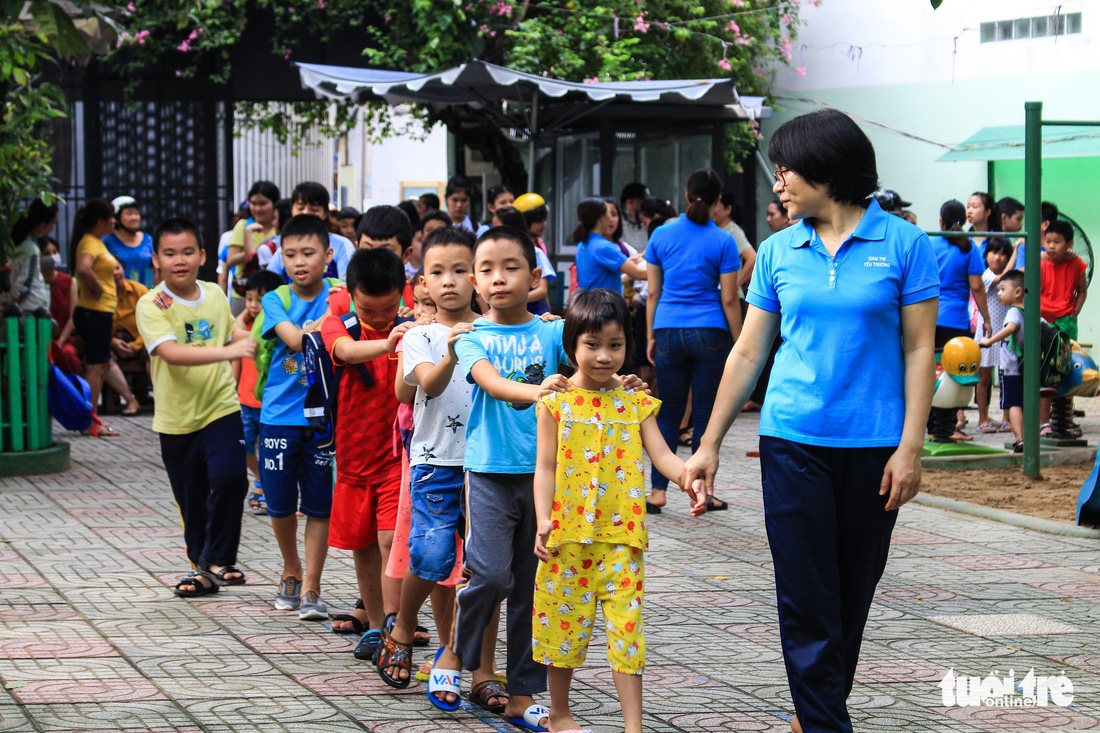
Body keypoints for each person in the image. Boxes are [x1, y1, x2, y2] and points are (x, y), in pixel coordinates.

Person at [682, 108, 939, 733]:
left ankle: (812, 713)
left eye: (789, 170)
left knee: (852, 591)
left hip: (876, 445)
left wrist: (912, 447)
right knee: (805, 592)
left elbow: (918, 349)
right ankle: (825, 723)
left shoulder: (906, 245)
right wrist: (707, 443)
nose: (779, 184)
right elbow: (749, 350)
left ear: (830, 170)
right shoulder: (776, 251)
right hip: (791, 439)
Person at [533, 289, 703, 733]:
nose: (604, 356)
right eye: (592, 345)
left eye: (615, 345)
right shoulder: (556, 403)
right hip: (566, 538)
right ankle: (559, 714)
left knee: (628, 633)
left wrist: (688, 477)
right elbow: (545, 467)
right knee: (561, 630)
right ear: (571, 345)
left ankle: (634, 727)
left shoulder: (635, 403)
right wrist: (543, 519)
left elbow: (663, 455)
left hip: (622, 541)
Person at [449, 226, 574, 731]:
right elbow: (493, 384)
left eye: (511, 267)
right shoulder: (470, 339)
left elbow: (592, 362)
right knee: (492, 575)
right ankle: (455, 652)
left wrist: (619, 379)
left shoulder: (552, 332)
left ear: (535, 277)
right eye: (487, 270)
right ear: (477, 284)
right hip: (489, 474)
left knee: (533, 590)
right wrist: (542, 390)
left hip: (545, 480)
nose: (498, 278)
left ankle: (524, 693)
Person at [376, 229, 481, 691]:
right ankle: (401, 628)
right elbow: (423, 387)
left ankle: (469, 660)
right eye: (438, 272)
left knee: (482, 569)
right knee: (433, 554)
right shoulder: (421, 335)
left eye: (460, 271)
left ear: (477, 277)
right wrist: (454, 348)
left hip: (489, 464)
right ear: (421, 282)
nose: (450, 281)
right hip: (435, 459)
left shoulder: (495, 329)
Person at [135, 217, 256, 596]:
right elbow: (170, 353)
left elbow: (231, 334)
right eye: (170, 253)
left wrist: (260, 337)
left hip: (221, 407)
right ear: (156, 259)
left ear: (202, 256)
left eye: (187, 252)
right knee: (192, 499)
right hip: (176, 419)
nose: (179, 260)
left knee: (231, 479)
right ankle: (203, 568)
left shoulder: (215, 295)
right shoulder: (151, 303)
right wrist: (231, 350)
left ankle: (219, 559)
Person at [321, 248, 416, 654]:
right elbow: (343, 352)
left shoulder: (414, 323)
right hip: (353, 457)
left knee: (389, 540)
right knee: (362, 545)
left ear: (403, 294)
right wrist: (387, 341)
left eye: (388, 309)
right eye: (368, 311)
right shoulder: (338, 325)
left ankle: (397, 630)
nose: (379, 319)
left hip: (398, 455)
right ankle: (376, 625)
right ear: (351, 295)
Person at [644, 169, 741, 514]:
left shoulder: (660, 234)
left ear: (686, 194)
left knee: (667, 412)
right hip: (710, 332)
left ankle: (657, 492)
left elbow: (653, 291)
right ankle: (705, 492)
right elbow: (730, 299)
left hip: (668, 328)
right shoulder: (724, 241)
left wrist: (650, 335)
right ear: (717, 202)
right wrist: (741, 341)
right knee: (703, 415)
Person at [257, 214, 336, 621]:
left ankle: (312, 587)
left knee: (320, 506)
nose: (299, 262)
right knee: (281, 504)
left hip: (323, 421)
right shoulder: (277, 299)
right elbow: (296, 339)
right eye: (290, 255)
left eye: (308, 253)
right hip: (278, 418)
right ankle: (291, 569)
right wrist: (334, 318)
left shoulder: (344, 293)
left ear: (328, 254)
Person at [930, 199, 991, 440]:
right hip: (956, 320)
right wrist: (986, 319)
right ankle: (948, 428)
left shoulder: (929, 243)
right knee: (953, 372)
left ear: (941, 222)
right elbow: (977, 287)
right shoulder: (968, 248)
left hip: (929, 317)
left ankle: (933, 426)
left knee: (931, 372)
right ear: (964, 222)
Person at [70, 197, 121, 435]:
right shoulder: (89, 242)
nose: (114, 221)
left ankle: (91, 420)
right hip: (94, 313)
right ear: (101, 221)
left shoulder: (95, 242)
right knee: (95, 368)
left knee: (100, 366)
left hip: (99, 313)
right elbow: (82, 267)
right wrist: (98, 288)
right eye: (111, 217)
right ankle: (89, 422)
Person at [235, 269, 284, 515]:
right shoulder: (248, 325)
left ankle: (262, 485)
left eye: (260, 300)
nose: (253, 306)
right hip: (244, 404)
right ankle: (260, 478)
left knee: (266, 450)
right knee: (242, 446)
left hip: (267, 404)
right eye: (249, 299)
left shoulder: (276, 327)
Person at [1039, 220, 1088, 437]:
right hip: (1044, 322)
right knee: (1045, 374)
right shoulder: (1039, 263)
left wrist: (1075, 311)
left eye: (1057, 242)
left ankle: (1065, 421)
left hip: (1066, 322)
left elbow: (1082, 290)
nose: (1051, 246)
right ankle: (1044, 423)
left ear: (1069, 243)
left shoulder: (1077, 264)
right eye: (1048, 241)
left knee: (1065, 370)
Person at [267, 183, 356, 282]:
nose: (306, 213)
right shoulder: (282, 249)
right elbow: (268, 284)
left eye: (314, 210)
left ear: (326, 213)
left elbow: (347, 285)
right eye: (300, 208)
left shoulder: (342, 245)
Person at [978, 270, 1026, 451]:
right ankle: (1026, 436)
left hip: (1011, 367)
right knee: (1022, 402)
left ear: (1017, 292)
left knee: (1013, 403)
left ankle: (1020, 438)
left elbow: (1011, 328)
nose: (999, 293)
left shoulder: (1013, 311)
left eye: (1003, 289)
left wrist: (989, 341)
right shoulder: (1026, 310)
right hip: (1023, 367)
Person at [973, 238, 1014, 434]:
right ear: (986, 254)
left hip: (1006, 333)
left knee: (1006, 376)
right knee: (984, 377)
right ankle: (983, 417)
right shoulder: (985, 275)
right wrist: (1017, 250)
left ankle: (1007, 418)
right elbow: (1003, 279)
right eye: (993, 252)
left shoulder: (1012, 278)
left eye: (1003, 253)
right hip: (987, 332)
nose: (997, 257)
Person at [225, 181, 280, 314]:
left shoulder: (279, 228)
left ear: (274, 204)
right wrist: (249, 234)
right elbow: (231, 259)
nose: (257, 208)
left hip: (273, 292)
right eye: (253, 204)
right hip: (244, 294)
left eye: (263, 203)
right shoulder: (243, 225)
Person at [573, 197, 647, 295]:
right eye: (610, 213)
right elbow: (640, 274)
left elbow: (602, 280)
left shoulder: (583, 244)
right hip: (606, 307)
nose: (611, 218)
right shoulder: (604, 247)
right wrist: (666, 266)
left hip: (589, 305)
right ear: (602, 217)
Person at [494, 205, 556, 315]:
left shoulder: (535, 253)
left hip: (535, 315)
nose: (494, 234)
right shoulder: (495, 256)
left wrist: (514, 300)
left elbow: (542, 290)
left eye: (498, 229)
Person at [108, 262, 146, 415]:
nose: (115, 273)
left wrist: (136, 345)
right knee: (103, 357)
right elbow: (100, 329)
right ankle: (131, 400)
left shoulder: (139, 291)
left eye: (117, 268)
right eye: (110, 270)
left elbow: (153, 323)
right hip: (113, 345)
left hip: (140, 340)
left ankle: (166, 400)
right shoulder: (100, 295)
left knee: (156, 351)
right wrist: (114, 343)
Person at [39, 237, 80, 373]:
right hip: (38, 339)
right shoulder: (34, 285)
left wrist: (60, 342)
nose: (52, 256)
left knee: (68, 355)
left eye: (55, 251)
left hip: (62, 340)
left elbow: (73, 317)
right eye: (46, 253)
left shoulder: (69, 282)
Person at [8, 199, 56, 313]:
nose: (53, 227)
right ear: (42, 225)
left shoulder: (21, 242)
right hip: (28, 309)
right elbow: (25, 283)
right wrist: (12, 308)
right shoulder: (31, 249)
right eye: (53, 223)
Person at [103, 196, 157, 287]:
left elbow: (155, 269)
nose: (135, 217)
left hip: (146, 294)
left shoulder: (148, 239)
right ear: (116, 218)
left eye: (137, 213)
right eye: (129, 214)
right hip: (121, 295)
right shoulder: (108, 240)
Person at [711, 190, 757, 295]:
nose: (712, 210)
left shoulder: (733, 231)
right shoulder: (719, 231)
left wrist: (733, 285)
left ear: (728, 209)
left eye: (716, 205)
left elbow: (752, 258)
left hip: (733, 297)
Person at [620, 182, 650, 252]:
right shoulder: (618, 222)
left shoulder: (651, 222)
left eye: (639, 202)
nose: (635, 206)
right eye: (631, 202)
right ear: (624, 204)